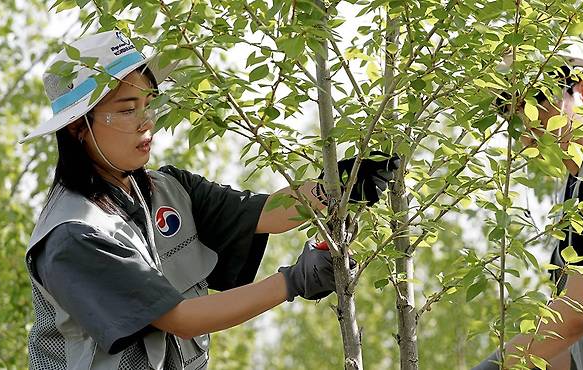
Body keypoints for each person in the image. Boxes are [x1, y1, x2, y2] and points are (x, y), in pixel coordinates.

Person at [20, 31, 399, 369]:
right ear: (77, 127)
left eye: (148, 103)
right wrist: (293, 281)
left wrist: (337, 187)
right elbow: (181, 318)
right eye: (126, 109)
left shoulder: (167, 187)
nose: (146, 121)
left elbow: (267, 212)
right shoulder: (73, 234)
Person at [473, 58, 583, 370]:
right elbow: (575, 349)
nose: (527, 118)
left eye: (538, 100)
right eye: (513, 110)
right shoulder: (575, 184)